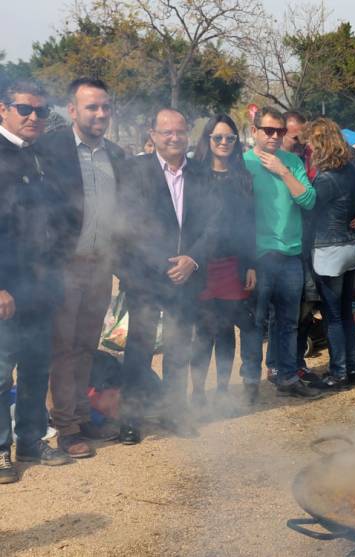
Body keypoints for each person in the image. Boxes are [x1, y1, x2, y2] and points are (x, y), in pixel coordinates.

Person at [116, 108, 218, 443]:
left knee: (178, 347)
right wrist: (164, 263)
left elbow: (213, 225)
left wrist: (193, 259)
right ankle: (131, 417)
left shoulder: (202, 174)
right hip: (145, 277)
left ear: (188, 133)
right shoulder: (134, 170)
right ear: (153, 134)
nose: (174, 138)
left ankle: (175, 412)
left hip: (187, 277)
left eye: (179, 131)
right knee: (139, 348)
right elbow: (129, 225)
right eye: (166, 132)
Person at [39, 77, 127, 459]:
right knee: (62, 347)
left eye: (105, 107)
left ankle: (81, 414)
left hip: (100, 265)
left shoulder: (117, 157)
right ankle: (66, 427)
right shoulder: (49, 150)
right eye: (92, 107)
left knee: (87, 346)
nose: (101, 114)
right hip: (63, 267)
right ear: (72, 110)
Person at [0, 80, 73, 483]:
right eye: (24, 109)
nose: (33, 117)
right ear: (2, 109)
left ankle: (30, 439)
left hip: (41, 288)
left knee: (34, 369)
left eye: (41, 112)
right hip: (6, 291)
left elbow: (56, 224)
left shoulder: (40, 157)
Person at [242, 107, 319, 400]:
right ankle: (250, 379)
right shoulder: (242, 163)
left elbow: (309, 201)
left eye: (280, 131)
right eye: (268, 130)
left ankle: (286, 376)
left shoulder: (291, 162)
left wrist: (283, 171)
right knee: (255, 323)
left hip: (290, 255)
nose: (274, 136)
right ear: (255, 132)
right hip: (258, 257)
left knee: (288, 322)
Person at [189, 115, 257, 411]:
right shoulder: (194, 174)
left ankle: (222, 390)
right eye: (218, 138)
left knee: (227, 328)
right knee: (204, 330)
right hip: (202, 265)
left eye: (230, 138)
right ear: (207, 140)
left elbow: (251, 223)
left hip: (233, 263)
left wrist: (251, 264)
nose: (224, 143)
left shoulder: (242, 177)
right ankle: (198, 392)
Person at [304, 118, 355, 389]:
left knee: (333, 316)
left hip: (330, 250)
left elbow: (310, 211)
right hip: (351, 247)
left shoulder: (326, 179)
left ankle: (338, 372)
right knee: (345, 313)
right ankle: (351, 370)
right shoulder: (351, 171)